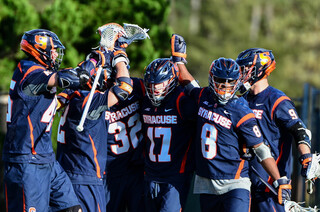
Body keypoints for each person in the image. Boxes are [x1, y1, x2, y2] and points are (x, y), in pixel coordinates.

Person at [172, 34, 292, 212]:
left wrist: (278, 179)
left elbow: (261, 149)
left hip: (234, 182)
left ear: (237, 82)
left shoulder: (241, 109)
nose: (225, 87)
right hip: (206, 182)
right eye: (220, 81)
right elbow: (188, 82)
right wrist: (179, 59)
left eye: (230, 82)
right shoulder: (204, 96)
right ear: (212, 79)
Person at [2, 29, 86, 212]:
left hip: (46, 157)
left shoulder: (40, 73)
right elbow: (64, 78)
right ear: (40, 49)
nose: (56, 53)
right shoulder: (29, 72)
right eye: (53, 49)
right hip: (26, 161)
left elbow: (52, 98)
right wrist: (87, 70)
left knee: (73, 209)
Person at [56, 24, 133, 212]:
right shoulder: (87, 101)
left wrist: (99, 56)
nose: (109, 80)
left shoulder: (70, 95)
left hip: (64, 175)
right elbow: (124, 87)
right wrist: (119, 59)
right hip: (85, 177)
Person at [236, 48, 314, 212]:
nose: (241, 73)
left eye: (245, 68)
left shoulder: (277, 100)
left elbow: (300, 132)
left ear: (259, 69)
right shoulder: (241, 100)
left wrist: (306, 157)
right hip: (242, 181)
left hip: (271, 184)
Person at [141, 56, 197, 212]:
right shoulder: (145, 101)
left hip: (175, 176)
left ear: (172, 80)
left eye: (160, 83)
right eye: (151, 84)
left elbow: (203, 103)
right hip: (150, 174)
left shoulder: (181, 101)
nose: (155, 88)